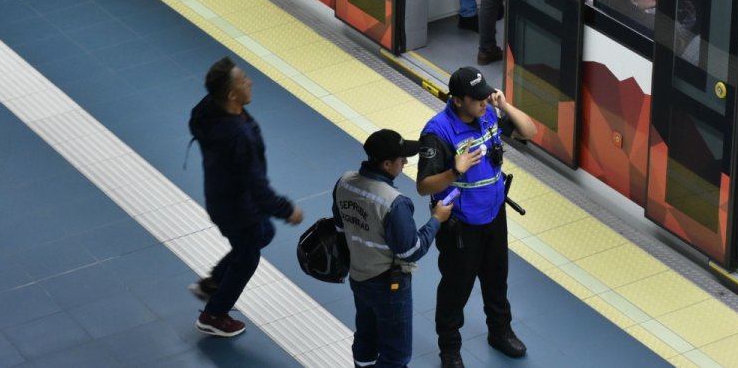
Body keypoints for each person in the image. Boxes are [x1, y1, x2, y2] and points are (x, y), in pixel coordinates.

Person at [417, 67, 538, 368]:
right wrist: (455, 170)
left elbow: (529, 131)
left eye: (486, 95)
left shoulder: (488, 116)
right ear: (458, 100)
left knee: (497, 279)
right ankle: (449, 348)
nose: (484, 102)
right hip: (461, 225)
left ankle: (500, 331)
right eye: (477, 98)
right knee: (456, 288)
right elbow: (424, 186)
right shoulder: (438, 132)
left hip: (494, 217)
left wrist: (504, 105)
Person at [188, 57, 304, 337]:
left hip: (220, 196)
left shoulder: (208, 110)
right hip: (239, 208)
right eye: (243, 81)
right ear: (231, 95)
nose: (250, 82)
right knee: (248, 258)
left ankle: (214, 282)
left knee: (264, 233)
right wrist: (287, 210)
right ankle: (213, 315)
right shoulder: (238, 136)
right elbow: (257, 187)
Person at [333, 129, 452, 368]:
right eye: (401, 158)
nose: (405, 162)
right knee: (396, 356)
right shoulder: (394, 202)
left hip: (358, 275)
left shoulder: (344, 182)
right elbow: (410, 251)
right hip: (388, 286)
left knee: (366, 337)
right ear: (387, 164)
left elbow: (339, 227)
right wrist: (436, 219)